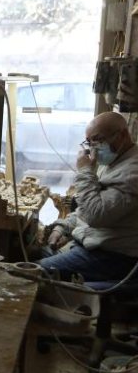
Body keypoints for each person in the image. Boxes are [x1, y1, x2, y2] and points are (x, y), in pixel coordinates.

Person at [38, 112, 138, 282]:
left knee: (30, 272)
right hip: (92, 243)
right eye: (89, 142)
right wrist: (64, 227)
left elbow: (95, 215)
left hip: (114, 256)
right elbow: (88, 204)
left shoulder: (132, 172)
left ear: (122, 135)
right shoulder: (113, 163)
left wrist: (85, 171)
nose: (93, 148)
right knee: (34, 250)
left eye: (98, 140)